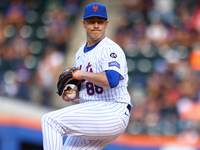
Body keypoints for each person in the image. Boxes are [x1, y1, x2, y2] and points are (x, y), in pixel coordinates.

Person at [41, 3, 132, 150]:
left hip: (113, 110)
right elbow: (87, 89)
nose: (96, 25)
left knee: (50, 121)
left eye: (100, 21)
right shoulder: (80, 54)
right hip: (94, 112)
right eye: (92, 21)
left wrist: (81, 73)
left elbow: (112, 80)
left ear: (106, 24)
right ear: (83, 24)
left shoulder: (110, 48)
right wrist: (71, 94)